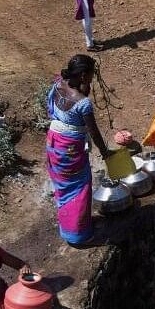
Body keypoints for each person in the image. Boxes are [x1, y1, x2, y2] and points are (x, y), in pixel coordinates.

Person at [46, 55, 111, 245]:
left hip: (54, 144)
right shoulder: (83, 103)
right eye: (91, 75)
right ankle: (79, 235)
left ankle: (67, 225)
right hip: (70, 150)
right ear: (83, 75)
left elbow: (53, 108)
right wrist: (105, 152)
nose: (92, 79)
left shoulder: (59, 84)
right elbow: (94, 131)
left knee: (63, 186)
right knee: (79, 188)